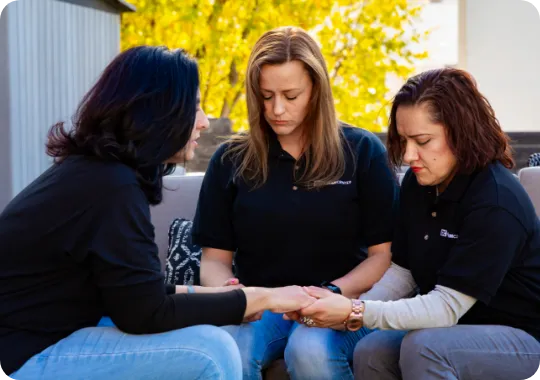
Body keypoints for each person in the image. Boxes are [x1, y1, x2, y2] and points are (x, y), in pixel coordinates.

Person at [0, 46, 316, 380]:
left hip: (44, 337)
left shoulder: (99, 174)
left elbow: (140, 294)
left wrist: (239, 298)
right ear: (158, 113)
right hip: (20, 355)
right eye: (194, 108)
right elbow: (145, 313)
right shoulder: (109, 186)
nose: (205, 122)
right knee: (210, 351)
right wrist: (261, 298)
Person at [287, 67, 540, 380]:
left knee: (423, 347)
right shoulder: (419, 185)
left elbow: (445, 307)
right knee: (372, 349)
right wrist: (349, 309)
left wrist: (356, 311)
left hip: (524, 336)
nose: (408, 155)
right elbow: (403, 272)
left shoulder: (496, 202)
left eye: (422, 140)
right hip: (456, 327)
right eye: (404, 140)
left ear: (461, 133)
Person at [191, 26, 399, 380]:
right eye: (266, 95)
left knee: (308, 350)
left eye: (291, 95)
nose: (277, 109)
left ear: (316, 90)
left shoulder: (362, 152)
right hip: (264, 305)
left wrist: (331, 293)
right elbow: (214, 259)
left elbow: (384, 256)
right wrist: (232, 294)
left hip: (338, 302)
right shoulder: (230, 159)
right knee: (228, 349)